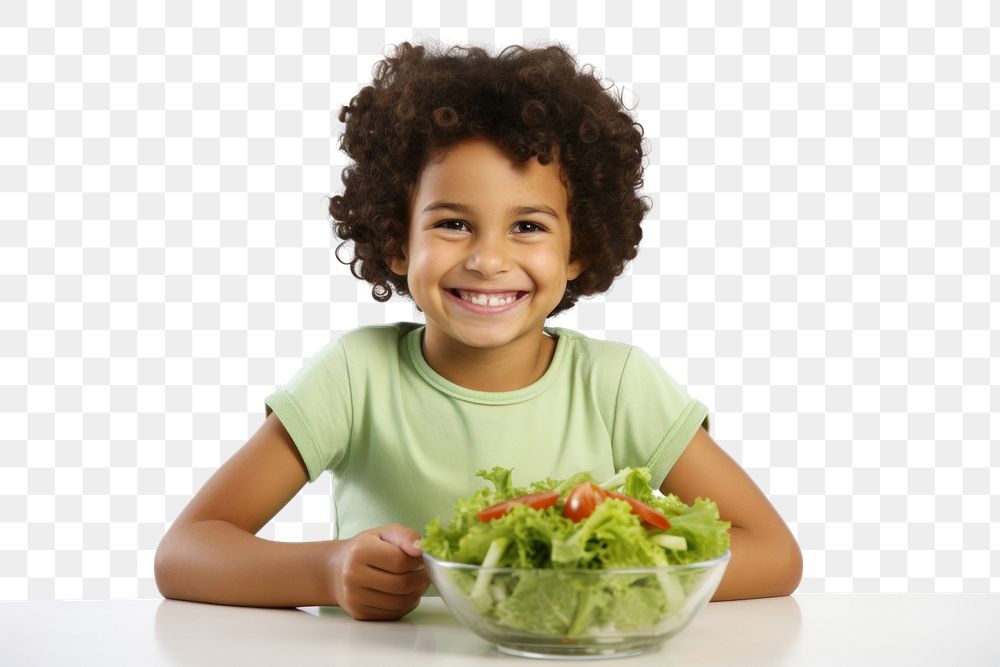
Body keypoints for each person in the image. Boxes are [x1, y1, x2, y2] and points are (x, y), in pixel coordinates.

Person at [154, 42, 802, 621]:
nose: (488, 259)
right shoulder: (355, 377)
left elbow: (774, 553)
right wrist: (325, 568)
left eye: (528, 226)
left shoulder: (618, 385)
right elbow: (186, 549)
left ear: (578, 249)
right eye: (453, 223)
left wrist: (606, 577)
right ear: (396, 240)